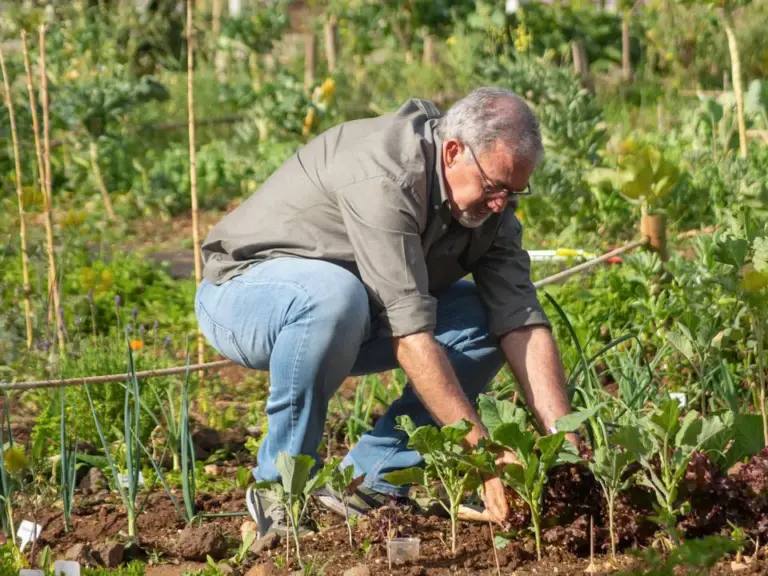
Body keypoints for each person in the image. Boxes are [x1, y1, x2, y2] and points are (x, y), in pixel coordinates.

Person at [194, 87, 578, 538]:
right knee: (335, 296)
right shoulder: (387, 176)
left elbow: (521, 321)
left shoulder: (491, 211)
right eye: (494, 187)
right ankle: (280, 487)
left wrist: (564, 444)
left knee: (482, 318)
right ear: (453, 152)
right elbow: (412, 338)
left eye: (514, 192)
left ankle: (368, 482)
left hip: (351, 312)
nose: (500, 204)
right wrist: (484, 456)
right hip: (245, 295)